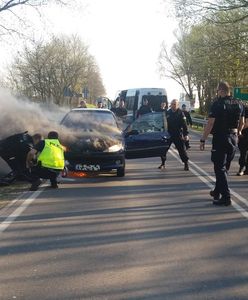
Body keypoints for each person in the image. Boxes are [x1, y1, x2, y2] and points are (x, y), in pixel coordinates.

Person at [200, 81, 244, 206]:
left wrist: (203, 139)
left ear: (221, 90)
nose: (217, 93)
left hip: (221, 138)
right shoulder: (239, 103)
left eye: (217, 91)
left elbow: (210, 123)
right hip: (233, 138)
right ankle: (217, 191)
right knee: (225, 168)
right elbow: (242, 122)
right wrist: (238, 132)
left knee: (219, 168)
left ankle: (226, 197)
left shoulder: (218, 104)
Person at [158, 99, 189, 171]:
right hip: (168, 134)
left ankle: (186, 163)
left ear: (177, 105)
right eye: (172, 104)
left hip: (178, 134)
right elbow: (163, 122)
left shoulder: (181, 113)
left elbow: (185, 125)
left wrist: (186, 134)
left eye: (175, 104)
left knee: (182, 150)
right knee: (163, 149)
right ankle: (163, 163)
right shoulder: (168, 112)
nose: (173, 105)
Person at [236, 104, 248, 176]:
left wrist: (238, 130)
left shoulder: (244, 109)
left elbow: (246, 123)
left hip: (245, 135)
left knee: (243, 153)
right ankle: (246, 170)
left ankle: (241, 169)